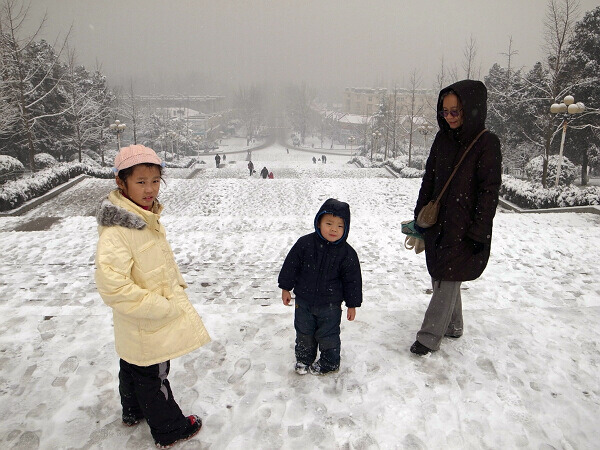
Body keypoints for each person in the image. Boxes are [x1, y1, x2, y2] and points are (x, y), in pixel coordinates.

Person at [95, 144, 211, 448]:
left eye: (155, 181)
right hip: (147, 319)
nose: (150, 189)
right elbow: (113, 286)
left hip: (137, 324)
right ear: (121, 183)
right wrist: (160, 307)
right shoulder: (119, 230)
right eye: (141, 182)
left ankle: (133, 411)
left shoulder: (141, 217)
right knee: (154, 377)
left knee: (133, 365)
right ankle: (171, 429)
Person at [410, 79, 502, 356]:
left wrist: (479, 232)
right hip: (439, 222)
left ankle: (428, 337)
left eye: (455, 111)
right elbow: (430, 178)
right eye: (445, 112)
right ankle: (454, 324)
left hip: (465, 226)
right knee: (442, 272)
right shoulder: (442, 138)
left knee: (448, 274)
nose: (449, 117)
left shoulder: (487, 142)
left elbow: (489, 191)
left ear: (471, 109)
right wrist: (419, 214)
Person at [278, 198, 362, 375]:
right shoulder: (305, 244)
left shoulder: (347, 254)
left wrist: (352, 304)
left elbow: (352, 280)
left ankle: (329, 363)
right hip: (304, 302)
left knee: (328, 335)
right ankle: (303, 359)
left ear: (346, 228)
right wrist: (286, 287)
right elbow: (291, 266)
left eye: (340, 226)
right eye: (329, 223)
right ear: (319, 222)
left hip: (330, 306)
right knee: (304, 333)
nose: (333, 229)